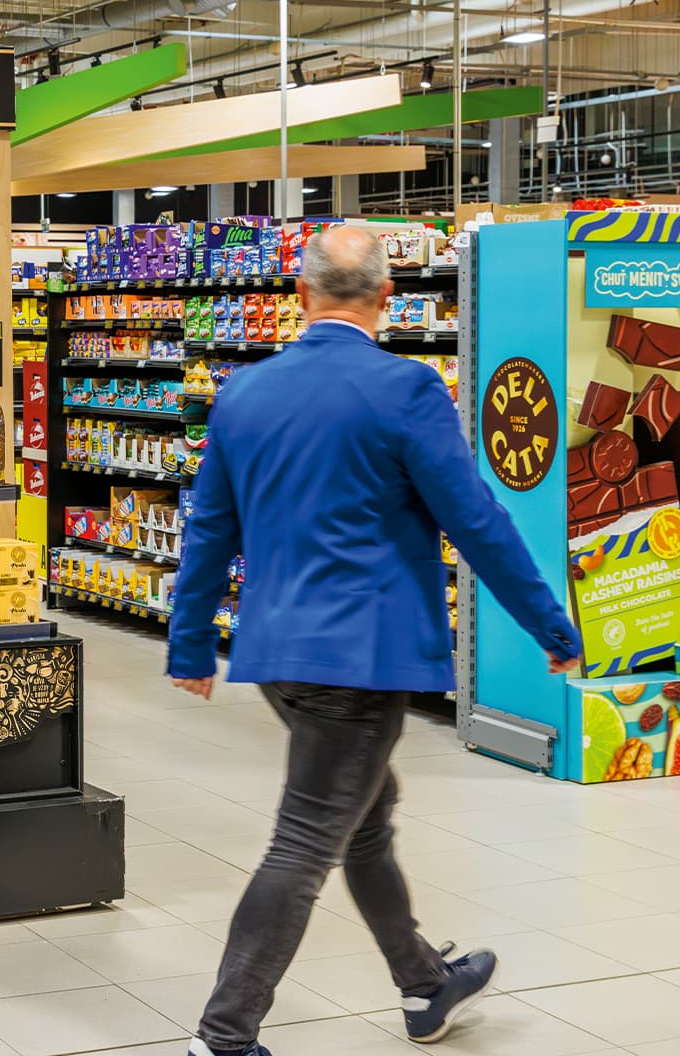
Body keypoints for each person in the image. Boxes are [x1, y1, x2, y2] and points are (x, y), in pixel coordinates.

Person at [167, 225, 583, 1054]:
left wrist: (189, 643)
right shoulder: (406, 389)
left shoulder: (244, 392)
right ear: (388, 299)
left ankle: (425, 984)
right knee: (305, 841)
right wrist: (549, 621)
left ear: (301, 295)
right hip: (359, 657)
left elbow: (209, 527)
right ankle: (224, 1036)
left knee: (364, 814)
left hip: (278, 651)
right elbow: (475, 520)